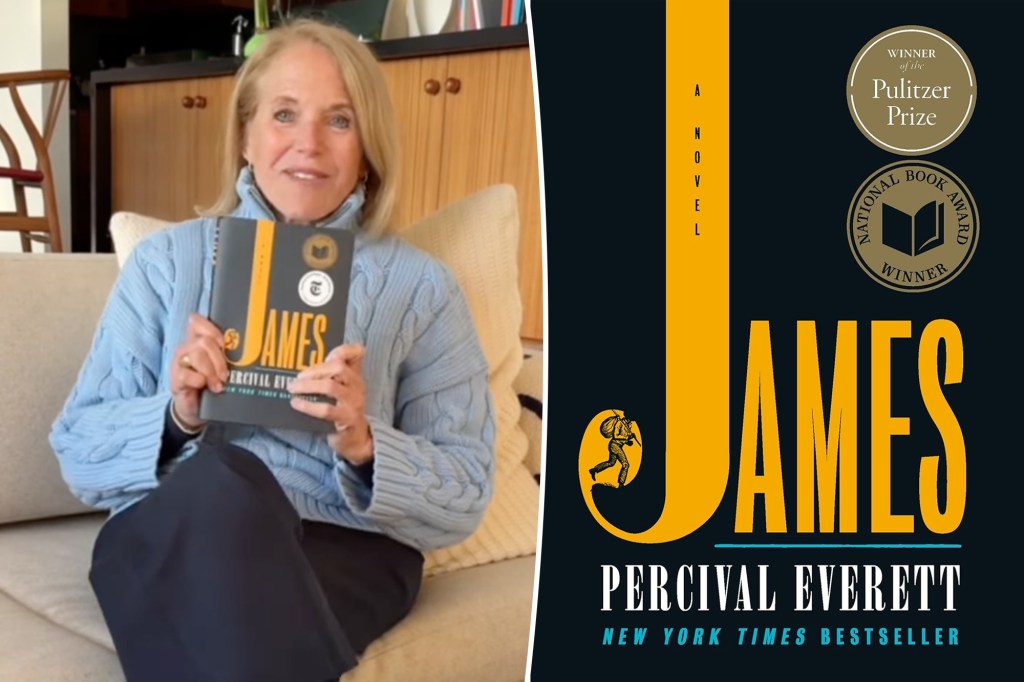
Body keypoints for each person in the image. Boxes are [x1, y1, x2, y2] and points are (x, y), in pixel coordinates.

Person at [49, 18, 494, 682]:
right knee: (223, 485)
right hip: (179, 526)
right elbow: (78, 452)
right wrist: (178, 419)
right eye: (284, 115)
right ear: (245, 137)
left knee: (231, 600)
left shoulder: (423, 288)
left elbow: (466, 491)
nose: (308, 145)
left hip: (345, 551)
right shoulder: (168, 262)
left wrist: (363, 444)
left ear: (369, 144)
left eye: (339, 120)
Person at [588, 413, 637, 488]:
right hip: (614, 445)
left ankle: (594, 470)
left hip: (617, 446)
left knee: (611, 463)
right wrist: (627, 439)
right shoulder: (619, 423)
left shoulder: (629, 425)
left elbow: (624, 436)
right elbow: (616, 435)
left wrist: (630, 437)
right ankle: (621, 484)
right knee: (626, 464)